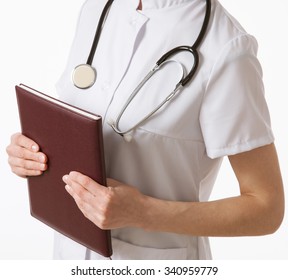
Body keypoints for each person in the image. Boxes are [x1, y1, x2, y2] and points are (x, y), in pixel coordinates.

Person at [6, 0, 284, 260]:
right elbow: (76, 127)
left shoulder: (226, 46)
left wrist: (145, 213)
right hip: (70, 254)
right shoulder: (98, 8)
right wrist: (33, 153)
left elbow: (266, 208)